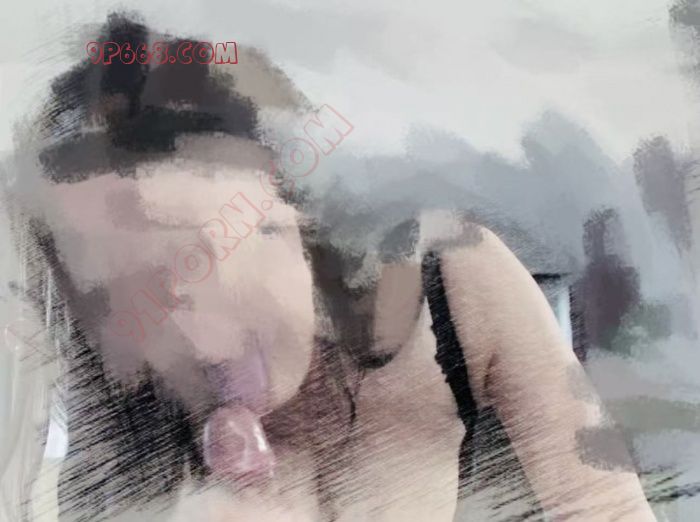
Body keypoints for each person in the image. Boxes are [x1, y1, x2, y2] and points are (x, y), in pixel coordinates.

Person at [4, 13, 657, 522]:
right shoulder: (121, 375)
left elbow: (604, 507)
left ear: (293, 210)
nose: (196, 340)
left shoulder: (454, 279)